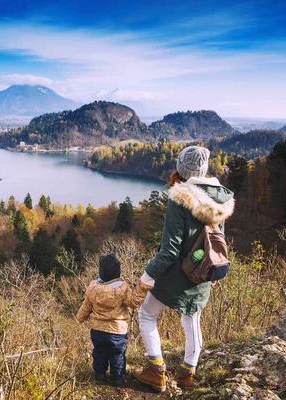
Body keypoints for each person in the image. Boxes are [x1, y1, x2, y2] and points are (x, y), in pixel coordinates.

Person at [130, 146, 235, 392]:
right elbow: (218, 240)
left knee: (146, 314)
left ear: (181, 167)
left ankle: (156, 371)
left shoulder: (180, 199)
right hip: (201, 274)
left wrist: (148, 275)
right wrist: (213, 271)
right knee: (192, 321)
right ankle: (187, 374)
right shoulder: (220, 197)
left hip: (175, 275)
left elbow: (169, 250)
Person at [76, 253, 132, 387]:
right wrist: (143, 289)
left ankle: (99, 376)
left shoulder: (93, 288)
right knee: (117, 355)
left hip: (98, 330)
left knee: (99, 353)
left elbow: (86, 307)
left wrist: (79, 318)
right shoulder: (123, 288)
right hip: (118, 331)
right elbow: (132, 302)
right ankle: (117, 379)